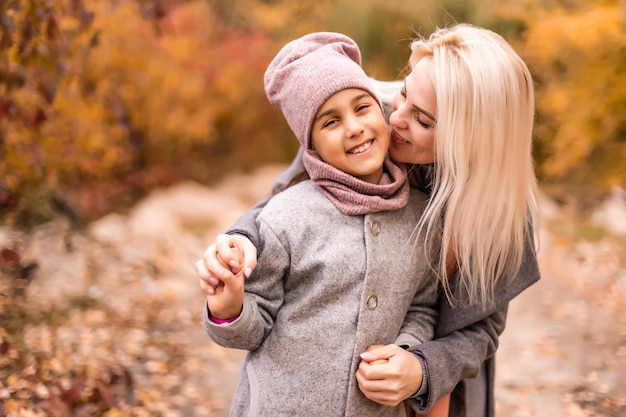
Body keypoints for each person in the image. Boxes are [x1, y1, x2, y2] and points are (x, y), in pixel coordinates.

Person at [197, 23, 541, 417]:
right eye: (403, 93)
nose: (396, 118)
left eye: (423, 121)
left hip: (439, 378)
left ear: (471, 141)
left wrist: (422, 369)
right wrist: (239, 241)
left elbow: (479, 329)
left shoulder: (503, 216)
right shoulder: (355, 113)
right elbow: (282, 206)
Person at [201, 32, 448, 416]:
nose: (353, 127)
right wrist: (229, 307)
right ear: (311, 145)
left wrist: (405, 349)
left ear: (381, 111)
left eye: (362, 107)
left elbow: (423, 307)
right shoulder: (286, 218)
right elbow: (252, 329)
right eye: (331, 121)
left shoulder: (420, 218)